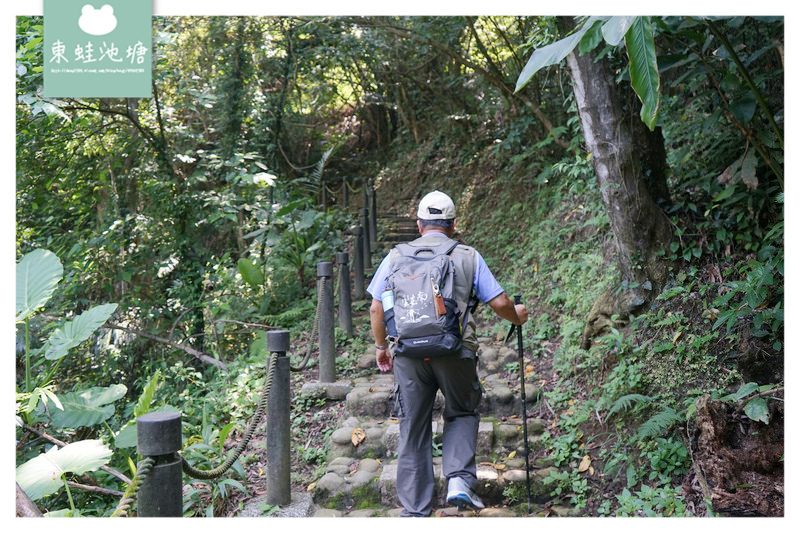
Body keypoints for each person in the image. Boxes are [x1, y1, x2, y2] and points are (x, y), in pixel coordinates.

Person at [367, 190, 528, 516]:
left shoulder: (395, 256)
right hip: (456, 352)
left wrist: (381, 347)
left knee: (412, 425)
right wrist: (518, 315)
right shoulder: (468, 255)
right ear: (454, 224)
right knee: (462, 411)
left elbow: (375, 308)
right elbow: (499, 303)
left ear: (418, 224)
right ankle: (457, 480)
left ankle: (415, 510)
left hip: (409, 355)